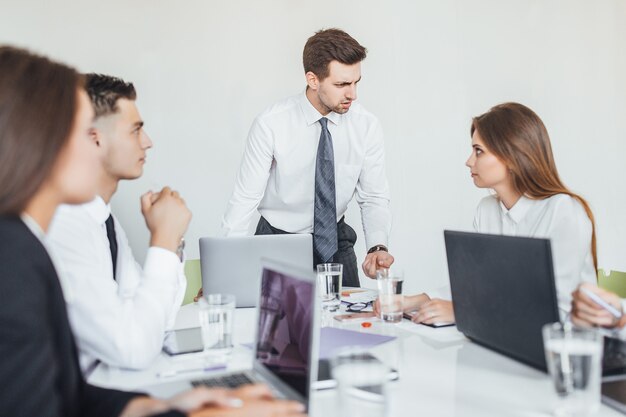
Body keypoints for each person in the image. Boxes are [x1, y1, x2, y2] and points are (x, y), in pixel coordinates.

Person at [0, 45, 306, 417]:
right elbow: (129, 347)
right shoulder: (15, 256)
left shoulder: (32, 241)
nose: (93, 148)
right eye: (83, 133)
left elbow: (70, 393)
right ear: (36, 141)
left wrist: (155, 407)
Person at [376, 103, 597, 325]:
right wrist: (409, 301)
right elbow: (475, 286)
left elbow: (554, 310)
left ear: (511, 156)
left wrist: (464, 312)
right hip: (507, 341)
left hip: (564, 351)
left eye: (478, 151)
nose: (469, 161)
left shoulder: (564, 211)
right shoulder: (487, 209)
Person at [221, 28, 394, 287]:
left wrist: (377, 247)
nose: (353, 94)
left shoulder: (366, 125)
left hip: (335, 238)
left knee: (346, 322)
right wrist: (226, 266)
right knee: (276, 325)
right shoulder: (271, 124)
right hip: (276, 239)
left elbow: (373, 197)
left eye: (356, 82)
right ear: (313, 80)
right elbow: (245, 198)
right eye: (342, 84)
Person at [47, 74, 189, 373]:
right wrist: (162, 239)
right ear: (94, 138)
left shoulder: (103, 220)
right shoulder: (63, 227)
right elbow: (131, 349)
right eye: (135, 131)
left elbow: (155, 319)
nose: (147, 143)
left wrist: (171, 243)